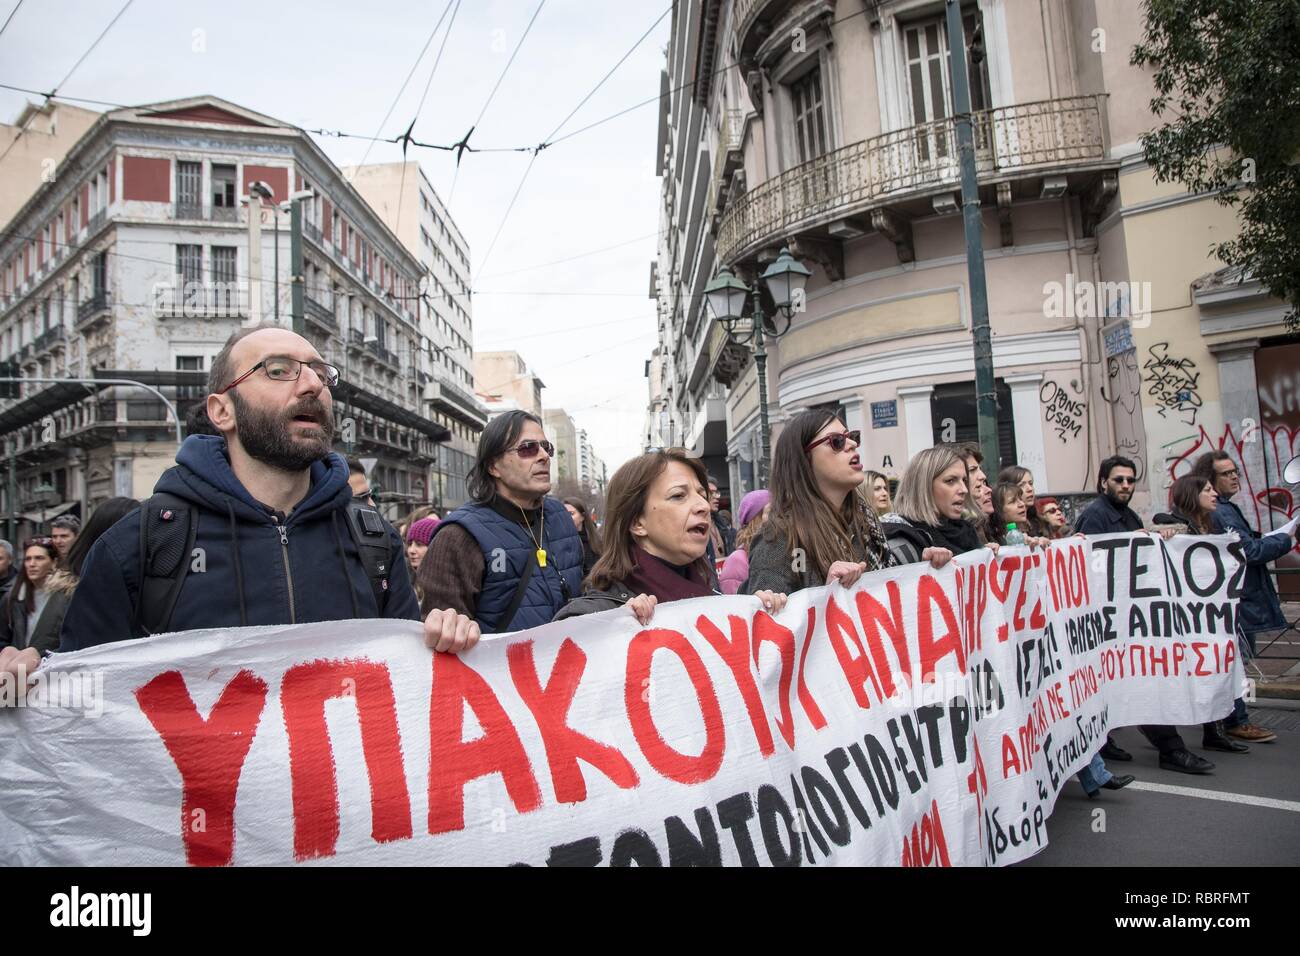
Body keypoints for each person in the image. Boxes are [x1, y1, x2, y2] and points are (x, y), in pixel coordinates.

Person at [45, 325, 439, 662]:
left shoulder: (374, 540)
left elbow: (405, 685)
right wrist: (30, 680)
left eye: (321, 373)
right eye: (278, 370)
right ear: (222, 411)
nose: (313, 384)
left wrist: (445, 639)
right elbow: (85, 709)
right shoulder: (138, 544)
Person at [1073, 456, 1213, 774]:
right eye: (1118, 479)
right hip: (1109, 619)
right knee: (1142, 681)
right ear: (1103, 482)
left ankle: (1102, 739)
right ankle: (1170, 748)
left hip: (1128, 617)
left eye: (1130, 480)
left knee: (1128, 681)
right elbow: (1093, 565)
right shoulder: (1095, 517)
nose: (1125, 485)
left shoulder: (1127, 514)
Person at [556, 450, 785, 622]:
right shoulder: (592, 617)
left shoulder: (715, 595)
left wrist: (758, 610)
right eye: (678, 496)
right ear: (637, 522)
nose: (703, 506)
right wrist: (616, 628)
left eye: (702, 494)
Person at [745, 410, 951, 596]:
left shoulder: (866, 524)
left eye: (852, 437)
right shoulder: (779, 537)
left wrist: (921, 570)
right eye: (837, 441)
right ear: (804, 459)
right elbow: (769, 625)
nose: (852, 444)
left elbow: (887, 598)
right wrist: (826, 595)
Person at [417, 410, 583, 635]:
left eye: (547, 447)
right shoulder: (458, 535)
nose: (544, 455)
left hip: (570, 662)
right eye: (528, 448)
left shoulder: (560, 516)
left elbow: (590, 588)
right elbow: (444, 637)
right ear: (493, 466)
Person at [1193, 450, 1295, 744]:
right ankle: (1235, 721)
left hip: (1237, 598)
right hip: (1235, 601)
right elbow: (1248, 552)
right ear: (1210, 479)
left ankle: (1228, 721)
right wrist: (1287, 539)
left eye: (1234, 470)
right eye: (1226, 473)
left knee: (1233, 660)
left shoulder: (1224, 508)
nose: (1234, 476)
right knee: (1233, 660)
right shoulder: (1222, 511)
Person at [1155, 475, 1253, 754]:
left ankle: (1215, 731)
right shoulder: (1175, 523)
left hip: (1208, 618)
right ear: (1192, 494)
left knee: (1214, 670)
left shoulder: (1208, 525)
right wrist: (1167, 531)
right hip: (1184, 620)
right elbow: (1160, 526)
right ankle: (1171, 737)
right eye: (1208, 490)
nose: (1214, 495)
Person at [882, 446, 984, 565]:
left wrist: (986, 555)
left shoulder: (966, 532)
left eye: (964, 481)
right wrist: (923, 567)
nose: (964, 489)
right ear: (923, 487)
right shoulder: (899, 543)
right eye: (950, 481)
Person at [0, 539, 70, 659]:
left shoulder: (66, 596)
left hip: (52, 667)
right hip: (19, 670)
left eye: (39, 558)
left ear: (54, 562)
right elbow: (3, 638)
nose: (32, 564)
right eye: (28, 559)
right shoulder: (13, 597)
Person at [719, 489, 771, 595]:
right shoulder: (737, 561)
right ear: (755, 519)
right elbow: (734, 607)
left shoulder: (780, 552)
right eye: (771, 512)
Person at [998, 465, 1044, 536]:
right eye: (1022, 485)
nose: (1030, 489)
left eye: (1031, 483)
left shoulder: (1037, 521)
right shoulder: (1001, 531)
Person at [563, 497, 603, 577]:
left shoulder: (598, 541)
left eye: (571, 513)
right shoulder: (561, 543)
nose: (566, 517)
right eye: (564, 514)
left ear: (583, 516)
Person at [707, 478, 735, 558]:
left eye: (716, 493)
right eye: (711, 493)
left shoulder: (722, 525)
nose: (716, 497)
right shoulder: (696, 527)